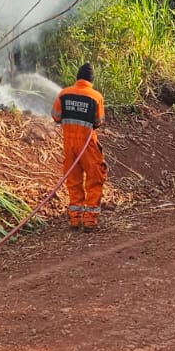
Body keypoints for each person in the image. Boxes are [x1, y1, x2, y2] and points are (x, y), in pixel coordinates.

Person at [51, 63, 107, 230]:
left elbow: (55, 116)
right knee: (95, 178)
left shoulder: (64, 94)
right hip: (87, 145)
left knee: (73, 180)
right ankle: (90, 220)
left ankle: (75, 219)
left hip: (69, 144)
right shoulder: (96, 96)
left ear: (77, 78)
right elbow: (99, 121)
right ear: (91, 80)